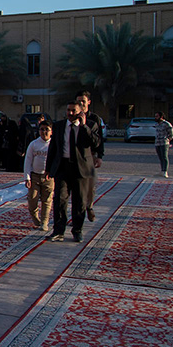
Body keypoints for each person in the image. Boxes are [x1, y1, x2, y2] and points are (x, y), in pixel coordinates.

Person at [46, 101, 100, 243]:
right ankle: (58, 231)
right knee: (59, 199)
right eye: (68, 110)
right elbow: (53, 148)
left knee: (79, 201)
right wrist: (49, 169)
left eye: (73, 111)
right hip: (62, 167)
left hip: (81, 169)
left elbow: (95, 143)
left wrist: (84, 126)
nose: (70, 113)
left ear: (81, 112)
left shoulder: (90, 125)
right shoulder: (59, 126)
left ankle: (77, 230)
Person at [76, 91, 104, 221]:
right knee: (77, 187)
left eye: (83, 101)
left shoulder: (94, 119)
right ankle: (77, 215)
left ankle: (89, 206)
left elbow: (99, 139)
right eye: (79, 101)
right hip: (75, 156)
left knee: (90, 185)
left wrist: (99, 156)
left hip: (90, 155)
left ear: (88, 102)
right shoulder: (73, 117)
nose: (81, 103)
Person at [23, 120, 54, 231]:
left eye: (47, 130)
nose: (44, 132)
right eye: (42, 129)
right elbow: (28, 161)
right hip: (34, 177)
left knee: (47, 200)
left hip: (48, 177)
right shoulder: (34, 144)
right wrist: (27, 178)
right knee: (32, 199)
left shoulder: (53, 145)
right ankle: (35, 218)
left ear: (51, 131)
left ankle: (44, 222)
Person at [155, 111, 173, 178]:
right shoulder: (157, 124)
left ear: (161, 117)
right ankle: (162, 170)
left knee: (164, 157)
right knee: (160, 157)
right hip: (157, 143)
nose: (155, 118)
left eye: (157, 116)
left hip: (164, 143)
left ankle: (165, 171)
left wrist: (168, 139)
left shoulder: (166, 124)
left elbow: (171, 134)